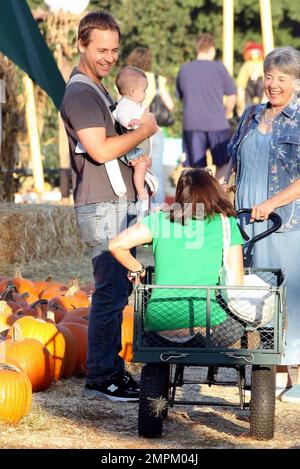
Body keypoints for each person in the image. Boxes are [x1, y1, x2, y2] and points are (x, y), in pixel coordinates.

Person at [60, 11, 157, 402]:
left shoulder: (97, 88)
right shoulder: (81, 92)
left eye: (115, 50)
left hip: (114, 201)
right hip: (102, 204)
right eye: (101, 49)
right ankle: (102, 376)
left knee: (117, 292)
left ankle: (112, 368)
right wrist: (145, 134)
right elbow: (99, 151)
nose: (109, 57)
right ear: (81, 44)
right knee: (110, 292)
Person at [226, 46, 300, 403]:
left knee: (292, 299)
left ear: (296, 82)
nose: (273, 84)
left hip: (285, 223)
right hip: (245, 223)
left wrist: (271, 203)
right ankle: (265, 372)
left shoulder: (299, 119)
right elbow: (234, 160)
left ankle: (298, 377)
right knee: (256, 298)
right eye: (270, 76)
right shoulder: (251, 115)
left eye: (282, 78)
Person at [108, 168, 245, 347]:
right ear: (213, 191)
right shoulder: (226, 224)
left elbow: (115, 245)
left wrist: (137, 269)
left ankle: (158, 366)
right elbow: (236, 283)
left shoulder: (159, 220)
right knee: (242, 322)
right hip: (206, 329)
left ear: (180, 195)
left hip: (159, 327)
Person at [176, 33, 236, 181]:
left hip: (192, 124)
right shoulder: (219, 68)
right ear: (212, 49)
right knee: (222, 164)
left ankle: (199, 201)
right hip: (218, 124)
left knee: (196, 168)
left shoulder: (184, 69)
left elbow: (180, 96)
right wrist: (228, 112)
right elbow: (232, 95)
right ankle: (218, 197)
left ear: (197, 49)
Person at [127, 46, 174, 205]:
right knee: (157, 169)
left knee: (135, 168)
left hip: (133, 131)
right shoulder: (156, 79)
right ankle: (158, 206)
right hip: (155, 130)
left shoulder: (127, 79)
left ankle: (139, 204)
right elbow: (170, 104)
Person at [113, 66, 152, 213]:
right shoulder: (125, 105)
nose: (145, 93)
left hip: (138, 146)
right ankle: (140, 190)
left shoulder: (134, 105)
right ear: (132, 92)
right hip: (130, 148)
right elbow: (121, 116)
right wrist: (130, 122)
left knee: (145, 163)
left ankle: (145, 183)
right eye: (144, 90)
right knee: (140, 166)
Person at [236, 42, 264, 117]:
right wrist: (240, 87)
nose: (254, 55)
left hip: (261, 86)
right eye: (252, 53)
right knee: (248, 102)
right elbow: (242, 77)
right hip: (249, 86)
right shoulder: (247, 65)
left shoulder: (262, 64)